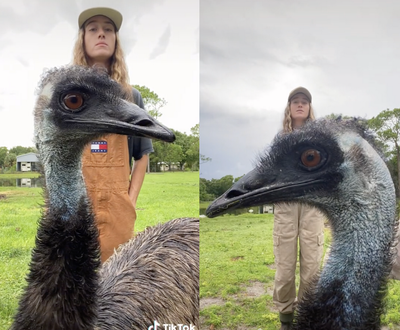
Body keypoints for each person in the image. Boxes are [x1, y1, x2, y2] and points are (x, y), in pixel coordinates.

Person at [72, 7, 153, 263]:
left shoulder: (131, 97)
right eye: (93, 29)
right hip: (77, 201)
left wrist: (129, 200)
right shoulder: (70, 95)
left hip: (119, 203)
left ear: (116, 40)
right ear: (82, 39)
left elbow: (142, 154)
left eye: (108, 29)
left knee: (116, 276)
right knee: (75, 274)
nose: (101, 34)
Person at [273, 87, 325, 330]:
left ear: (309, 107)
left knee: (312, 266)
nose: (300, 105)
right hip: (286, 203)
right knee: (284, 267)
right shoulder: (280, 139)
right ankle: (286, 319)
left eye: (305, 101)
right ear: (289, 107)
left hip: (312, 203)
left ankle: (306, 317)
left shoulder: (320, 138)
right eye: (296, 101)